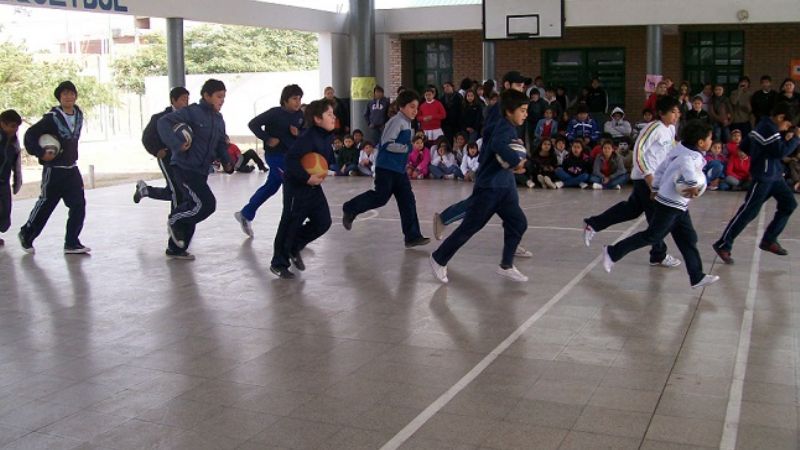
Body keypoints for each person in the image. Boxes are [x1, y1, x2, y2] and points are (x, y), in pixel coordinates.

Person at [603, 120, 720, 289]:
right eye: (710, 138)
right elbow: (687, 168)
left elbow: (660, 170)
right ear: (700, 142)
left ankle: (697, 276)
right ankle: (612, 252)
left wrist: (655, 187)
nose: (711, 141)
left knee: (689, 239)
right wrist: (694, 184)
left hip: (678, 205)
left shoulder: (679, 149)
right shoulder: (689, 156)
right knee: (652, 236)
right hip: (670, 205)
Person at [429, 89, 530, 284]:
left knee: (518, 223)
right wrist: (515, 161)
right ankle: (438, 258)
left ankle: (506, 265)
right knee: (470, 227)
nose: (526, 114)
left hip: (504, 188)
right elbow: (498, 145)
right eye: (523, 110)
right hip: (490, 188)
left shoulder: (509, 126)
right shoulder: (503, 127)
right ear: (509, 111)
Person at [583, 96, 683, 268]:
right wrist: (648, 177)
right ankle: (657, 254)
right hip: (646, 180)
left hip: (656, 180)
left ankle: (593, 224)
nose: (676, 115)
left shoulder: (670, 129)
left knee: (631, 210)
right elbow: (638, 151)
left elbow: (671, 151)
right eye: (673, 112)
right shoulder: (653, 128)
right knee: (656, 221)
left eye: (678, 112)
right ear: (661, 113)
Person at [713, 102, 800, 264]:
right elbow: (781, 151)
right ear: (780, 117)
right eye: (787, 123)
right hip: (763, 177)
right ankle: (723, 244)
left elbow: (745, 146)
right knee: (748, 212)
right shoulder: (768, 128)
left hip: (775, 176)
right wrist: (796, 139)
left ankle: (769, 239)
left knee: (789, 204)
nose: (787, 127)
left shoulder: (765, 126)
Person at [342, 90, 430, 248]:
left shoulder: (407, 122)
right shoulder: (396, 121)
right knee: (380, 197)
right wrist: (407, 147)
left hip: (399, 170)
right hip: (386, 168)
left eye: (417, 107)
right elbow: (387, 144)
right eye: (411, 107)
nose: (415, 110)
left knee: (407, 201)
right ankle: (350, 208)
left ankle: (412, 236)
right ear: (401, 107)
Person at [157, 79, 234, 260]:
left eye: (224, 97)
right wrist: (176, 144)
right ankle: (174, 219)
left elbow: (221, 143)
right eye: (218, 96)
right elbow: (163, 123)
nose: (222, 100)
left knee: (193, 205)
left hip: (201, 170)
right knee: (206, 205)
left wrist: (227, 162)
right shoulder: (192, 112)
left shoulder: (218, 119)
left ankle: (175, 248)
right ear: (206, 96)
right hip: (184, 167)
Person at [20, 81, 90, 255]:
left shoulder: (78, 114)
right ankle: (26, 233)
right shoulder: (51, 117)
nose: (68, 97)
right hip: (54, 169)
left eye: (71, 93)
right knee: (46, 204)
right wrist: (40, 153)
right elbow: (31, 135)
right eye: (64, 94)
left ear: (75, 96)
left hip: (71, 169)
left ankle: (72, 242)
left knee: (78, 204)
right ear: (59, 97)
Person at [269, 99, 336, 278]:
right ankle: (278, 263)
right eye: (329, 114)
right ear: (317, 119)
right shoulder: (308, 137)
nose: (333, 117)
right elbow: (290, 160)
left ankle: (294, 246)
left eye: (333, 114)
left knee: (323, 222)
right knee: (290, 222)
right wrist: (307, 177)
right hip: (297, 187)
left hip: (314, 187)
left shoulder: (326, 136)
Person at [235, 84, 304, 238]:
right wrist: (267, 138)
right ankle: (293, 229)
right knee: (292, 186)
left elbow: (305, 132)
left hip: (291, 157)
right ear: (285, 100)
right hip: (275, 156)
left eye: (299, 98)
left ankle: (246, 213)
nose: (297, 102)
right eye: (294, 98)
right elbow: (253, 124)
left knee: (272, 186)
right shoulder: (274, 113)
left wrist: (298, 132)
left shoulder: (300, 115)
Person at [135, 86, 190, 205]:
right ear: (173, 101)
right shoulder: (160, 118)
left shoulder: (189, 117)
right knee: (175, 189)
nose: (185, 103)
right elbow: (147, 137)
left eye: (187, 99)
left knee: (181, 189)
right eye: (182, 99)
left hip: (185, 158)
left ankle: (146, 191)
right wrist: (156, 151)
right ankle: (175, 219)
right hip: (167, 157)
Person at [0, 110, 22, 247]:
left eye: (16, 126)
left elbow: (16, 162)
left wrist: (17, 181)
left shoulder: (14, 141)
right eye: (12, 126)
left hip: (4, 181)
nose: (15, 129)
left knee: (5, 214)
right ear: (2, 124)